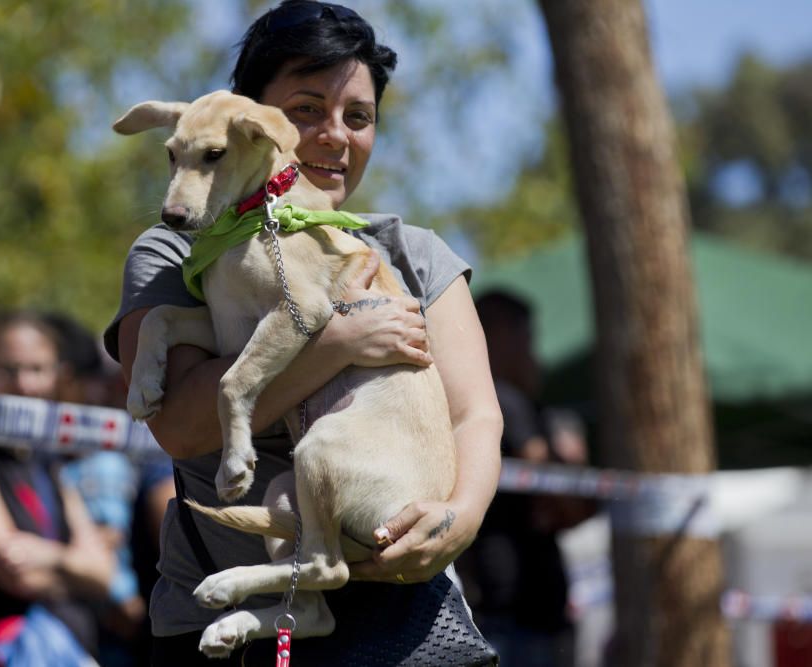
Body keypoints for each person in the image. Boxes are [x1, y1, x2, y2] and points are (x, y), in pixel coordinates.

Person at [105, 2, 503, 664]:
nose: (332, 136)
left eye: (359, 117)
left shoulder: (413, 255)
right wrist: (341, 345)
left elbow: (475, 416)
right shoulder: (174, 253)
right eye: (306, 110)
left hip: (402, 618)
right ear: (249, 116)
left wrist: (457, 521)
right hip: (222, 623)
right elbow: (178, 423)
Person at [0, 310, 115, 662]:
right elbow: (17, 577)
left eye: (36, 370)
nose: (24, 385)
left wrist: (46, 555)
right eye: (8, 370)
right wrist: (76, 566)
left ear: (58, 376)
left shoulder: (47, 460)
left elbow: (104, 576)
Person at [454, 289, 598, 667]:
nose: (533, 352)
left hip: (525, 607)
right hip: (511, 609)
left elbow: (570, 509)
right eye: (526, 337)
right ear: (499, 334)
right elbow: (562, 496)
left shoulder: (516, 404)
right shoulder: (503, 401)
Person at [46, 311, 175, 666]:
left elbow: (157, 523)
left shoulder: (125, 455)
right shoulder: (54, 455)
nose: (107, 391)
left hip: (119, 625)